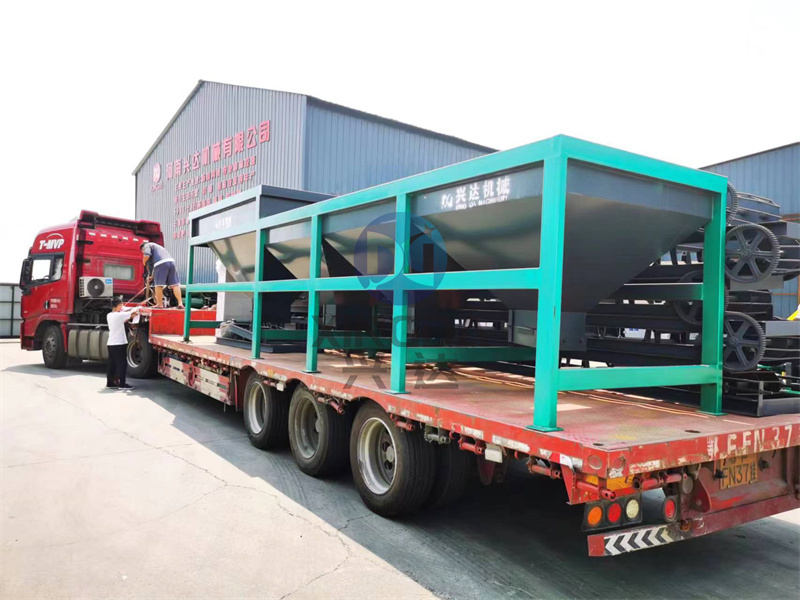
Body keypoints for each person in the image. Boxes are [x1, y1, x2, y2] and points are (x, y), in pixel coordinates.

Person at [106, 298, 139, 390]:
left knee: (112, 364)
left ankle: (110, 383)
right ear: (118, 305)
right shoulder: (119, 315)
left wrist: (126, 311)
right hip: (119, 344)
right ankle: (122, 384)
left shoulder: (109, 315)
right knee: (122, 364)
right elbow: (134, 312)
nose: (122, 306)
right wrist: (136, 309)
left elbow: (125, 315)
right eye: (121, 305)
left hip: (111, 343)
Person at [140, 241, 184, 309]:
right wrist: (152, 276)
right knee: (175, 285)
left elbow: (147, 255)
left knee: (158, 285)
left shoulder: (147, 245)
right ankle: (180, 303)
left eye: (142, 252)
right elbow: (156, 266)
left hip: (161, 264)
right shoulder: (159, 247)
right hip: (171, 262)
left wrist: (144, 261)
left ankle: (160, 304)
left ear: (142, 249)